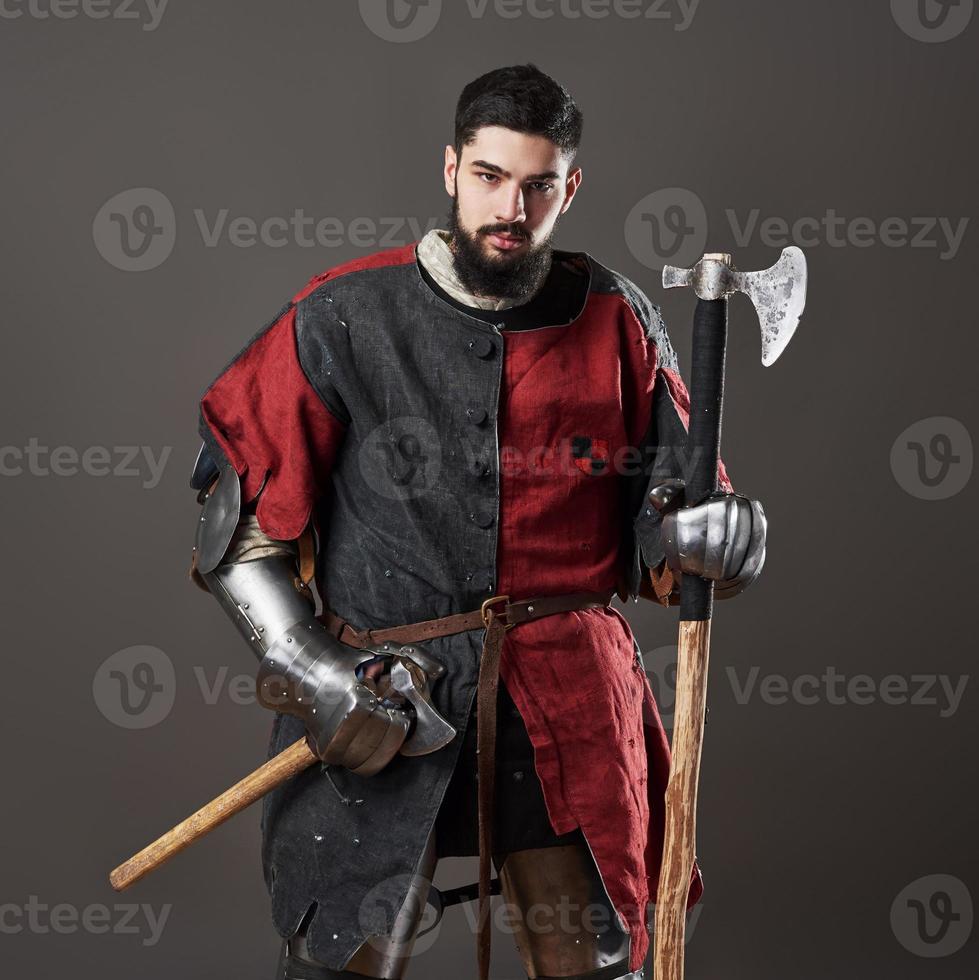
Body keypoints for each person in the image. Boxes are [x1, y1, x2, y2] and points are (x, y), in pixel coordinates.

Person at [188, 64, 766, 980]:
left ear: (569, 188)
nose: (513, 205)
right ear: (451, 168)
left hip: (569, 704)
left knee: (595, 967)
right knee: (342, 967)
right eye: (491, 176)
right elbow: (239, 529)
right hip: (388, 692)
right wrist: (311, 668)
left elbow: (675, 514)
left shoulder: (621, 321)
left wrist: (718, 537)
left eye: (539, 184)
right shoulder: (344, 314)